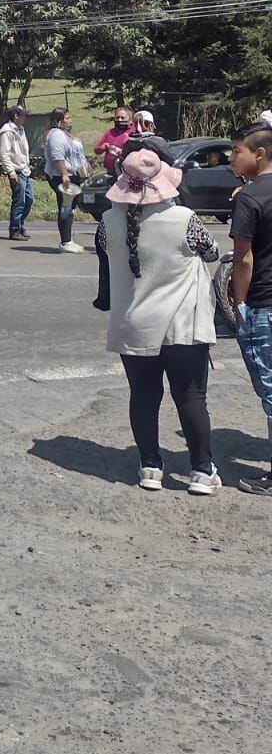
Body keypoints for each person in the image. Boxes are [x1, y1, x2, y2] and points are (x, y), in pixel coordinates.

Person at [95, 144, 221, 494]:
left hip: (132, 325)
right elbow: (210, 252)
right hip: (182, 326)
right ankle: (201, 470)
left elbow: (110, 258)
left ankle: (150, 466)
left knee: (144, 397)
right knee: (191, 397)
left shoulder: (108, 223)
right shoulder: (184, 219)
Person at [228, 123, 272, 498]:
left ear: (259, 154)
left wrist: (239, 303)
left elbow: (243, 258)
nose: (230, 158)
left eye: (236, 151)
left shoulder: (249, 197)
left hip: (263, 304)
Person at [43, 108, 84, 253]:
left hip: (72, 175)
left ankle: (68, 239)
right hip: (62, 176)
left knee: (70, 207)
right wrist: (64, 174)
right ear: (59, 120)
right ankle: (65, 241)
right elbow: (57, 156)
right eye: (67, 118)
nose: (70, 120)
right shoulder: (56, 135)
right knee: (66, 207)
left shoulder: (65, 134)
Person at [0, 105, 33, 241]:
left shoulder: (21, 129)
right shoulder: (7, 131)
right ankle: (15, 230)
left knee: (29, 199)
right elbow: (4, 153)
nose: (25, 118)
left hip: (25, 169)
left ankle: (20, 224)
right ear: (16, 116)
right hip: (16, 171)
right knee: (19, 201)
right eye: (23, 115)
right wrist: (10, 171)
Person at [95, 107, 135, 175]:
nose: (119, 120)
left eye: (122, 118)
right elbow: (96, 150)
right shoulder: (110, 132)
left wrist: (123, 152)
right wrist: (103, 147)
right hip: (110, 172)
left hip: (126, 173)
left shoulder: (134, 132)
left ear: (130, 120)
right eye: (117, 117)